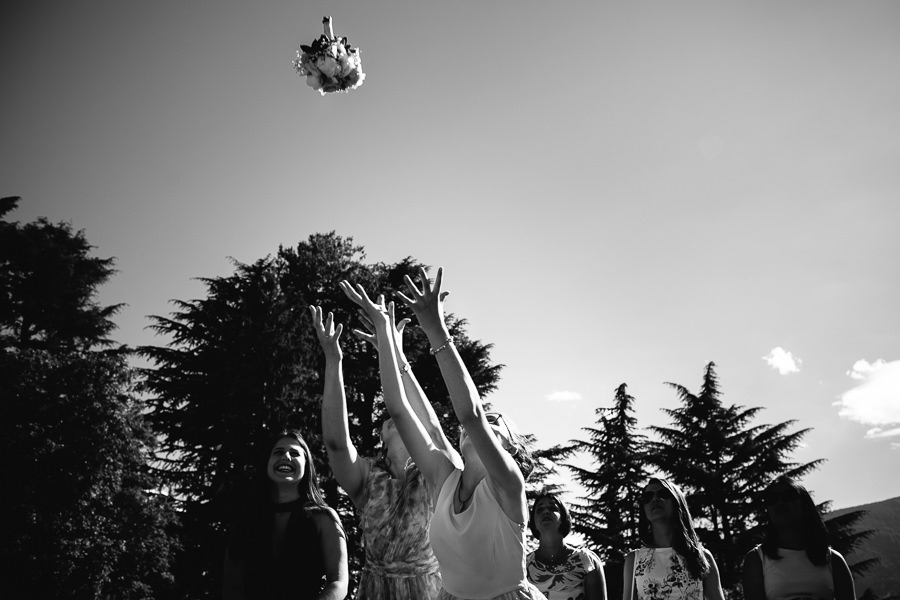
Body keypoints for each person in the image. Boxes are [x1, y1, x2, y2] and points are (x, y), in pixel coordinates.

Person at [340, 267, 544, 600]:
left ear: (511, 448)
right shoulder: (444, 480)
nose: (474, 427)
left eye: (496, 421)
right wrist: (386, 340)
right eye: (469, 428)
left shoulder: (508, 484)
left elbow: (472, 414)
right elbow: (401, 410)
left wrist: (435, 328)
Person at [310, 304, 460, 599]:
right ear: (382, 435)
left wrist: (396, 355)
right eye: (390, 420)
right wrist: (333, 359)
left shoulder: (438, 474)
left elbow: (431, 430)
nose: (400, 418)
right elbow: (337, 444)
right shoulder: (368, 478)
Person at [222, 429, 349, 600]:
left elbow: (338, 582)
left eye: (295, 453)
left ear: (307, 466)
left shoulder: (324, 518)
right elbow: (232, 588)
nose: (286, 456)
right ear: (267, 462)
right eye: (278, 452)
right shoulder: (246, 519)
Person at [742, 477, 855, 600]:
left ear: (804, 504)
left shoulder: (834, 560)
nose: (780, 503)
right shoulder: (757, 560)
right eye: (772, 500)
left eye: (788, 496)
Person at [623, 478, 724, 600]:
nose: (655, 499)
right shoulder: (634, 560)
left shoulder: (701, 557)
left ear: (677, 503)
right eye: (647, 497)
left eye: (663, 494)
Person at [526, 492, 607, 600]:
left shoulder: (587, 561)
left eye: (552, 508)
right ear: (533, 522)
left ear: (564, 518)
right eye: (539, 510)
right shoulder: (524, 566)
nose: (545, 512)